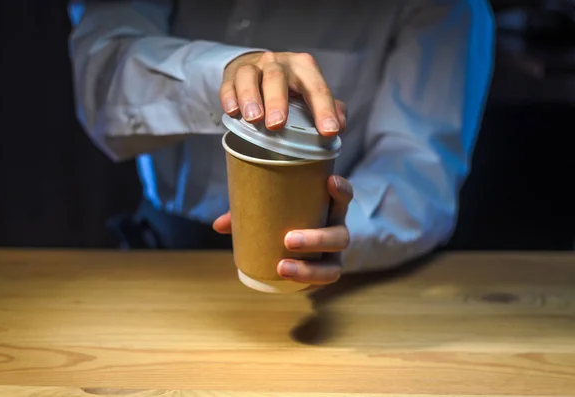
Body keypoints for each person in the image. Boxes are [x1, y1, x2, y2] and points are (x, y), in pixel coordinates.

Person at [67, 0, 495, 286]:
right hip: (159, 260)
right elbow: (102, 78)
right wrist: (225, 74)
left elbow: (419, 169)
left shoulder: (449, 8)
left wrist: (342, 232)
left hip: (344, 280)